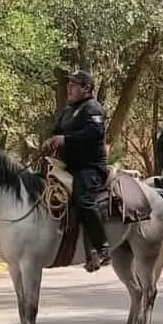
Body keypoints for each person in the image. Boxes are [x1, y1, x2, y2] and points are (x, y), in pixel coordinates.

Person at [42, 69, 110, 272]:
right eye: (68, 84)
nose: (68, 88)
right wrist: (49, 141)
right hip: (66, 166)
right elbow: (56, 131)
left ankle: (102, 246)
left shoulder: (93, 108)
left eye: (73, 85)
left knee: (83, 199)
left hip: (90, 168)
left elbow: (94, 133)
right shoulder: (67, 111)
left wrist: (65, 140)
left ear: (86, 88)